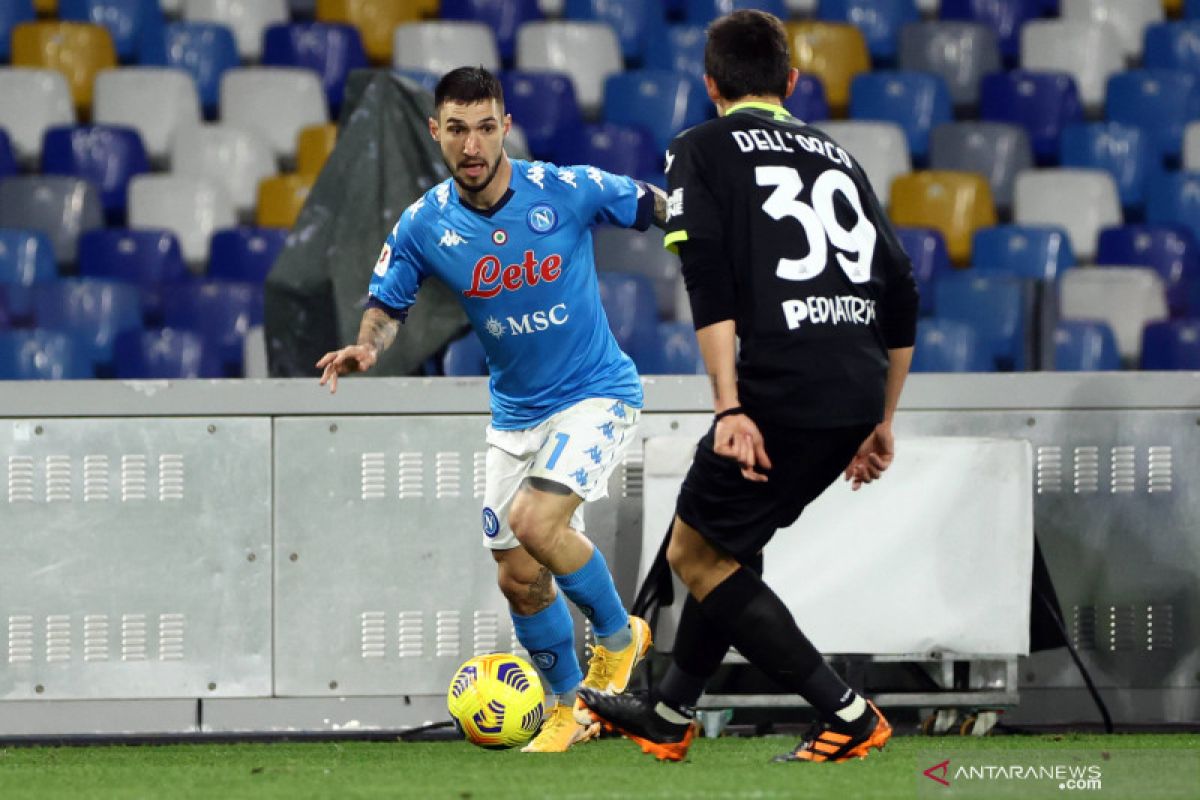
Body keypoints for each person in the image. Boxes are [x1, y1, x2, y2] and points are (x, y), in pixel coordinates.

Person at [579, 9, 919, 764]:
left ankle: (849, 713)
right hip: (856, 384)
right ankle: (669, 711)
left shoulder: (698, 147)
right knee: (723, 538)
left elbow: (708, 277)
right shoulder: (838, 156)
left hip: (780, 385)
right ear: (791, 82)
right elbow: (900, 286)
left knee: (695, 555)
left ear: (710, 85)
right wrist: (882, 417)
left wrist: (729, 405)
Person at [316, 66, 670, 753]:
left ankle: (621, 639)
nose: (472, 145)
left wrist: (713, 231)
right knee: (517, 576)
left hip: (596, 393)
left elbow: (653, 205)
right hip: (515, 416)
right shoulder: (425, 223)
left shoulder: (560, 189)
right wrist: (366, 348)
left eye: (484, 128)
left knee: (534, 521)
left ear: (504, 127)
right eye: (457, 130)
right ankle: (568, 708)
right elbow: (388, 305)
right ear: (436, 133)